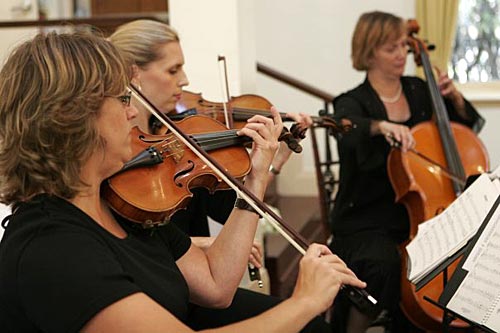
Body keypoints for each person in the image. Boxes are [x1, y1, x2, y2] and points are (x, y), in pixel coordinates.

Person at [0, 31, 365, 332]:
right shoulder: (52, 247)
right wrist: (304, 302)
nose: (132, 111)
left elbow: (216, 285)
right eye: (122, 98)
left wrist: (255, 178)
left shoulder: (117, 203)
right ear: (73, 117)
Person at [108, 20, 324, 331]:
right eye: (173, 70)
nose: (185, 80)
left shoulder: (179, 138)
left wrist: (272, 160)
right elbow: (129, 241)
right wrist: (203, 243)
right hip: (160, 297)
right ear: (133, 74)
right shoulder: (117, 155)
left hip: (195, 284)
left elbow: (227, 208)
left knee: (311, 324)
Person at [328, 11, 484, 333]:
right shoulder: (352, 102)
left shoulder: (418, 90)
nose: (401, 54)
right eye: (391, 48)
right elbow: (345, 128)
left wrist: (453, 97)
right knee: (386, 263)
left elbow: (464, 133)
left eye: (403, 45)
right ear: (369, 52)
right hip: (368, 220)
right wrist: (379, 126)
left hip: (422, 216)